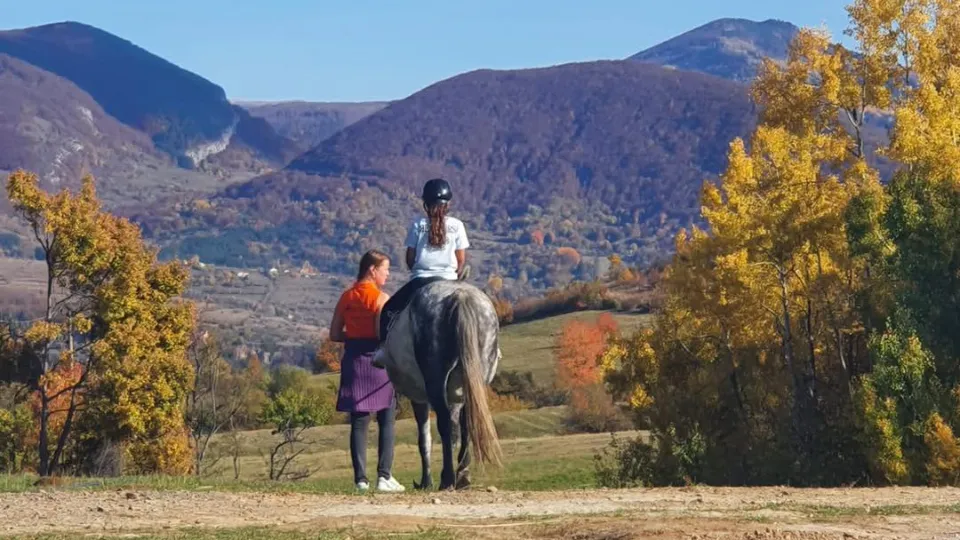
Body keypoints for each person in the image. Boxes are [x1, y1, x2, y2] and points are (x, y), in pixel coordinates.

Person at [329, 249, 405, 493]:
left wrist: (353, 336)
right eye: (386, 269)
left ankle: (360, 480)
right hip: (377, 361)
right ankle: (385, 475)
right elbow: (381, 333)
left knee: (359, 423)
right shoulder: (381, 299)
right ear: (373, 270)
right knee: (386, 417)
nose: (388, 274)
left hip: (353, 359)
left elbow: (333, 334)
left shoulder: (347, 297)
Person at [378, 178, 470, 342]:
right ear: (448, 203)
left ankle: (382, 349)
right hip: (450, 280)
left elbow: (410, 258)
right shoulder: (458, 225)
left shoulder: (417, 224)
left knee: (389, 311)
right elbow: (461, 259)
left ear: (425, 203)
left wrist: (416, 268)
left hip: (420, 282)